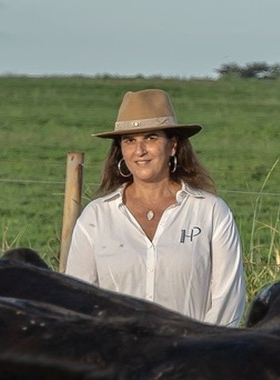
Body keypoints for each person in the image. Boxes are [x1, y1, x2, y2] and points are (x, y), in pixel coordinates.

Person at [65, 89, 247, 327]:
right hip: (118, 358)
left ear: (172, 145)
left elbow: (228, 299)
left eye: (150, 138)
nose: (139, 151)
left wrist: (200, 351)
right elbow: (79, 300)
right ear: (120, 149)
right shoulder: (96, 217)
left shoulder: (210, 212)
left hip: (192, 355)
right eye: (130, 140)